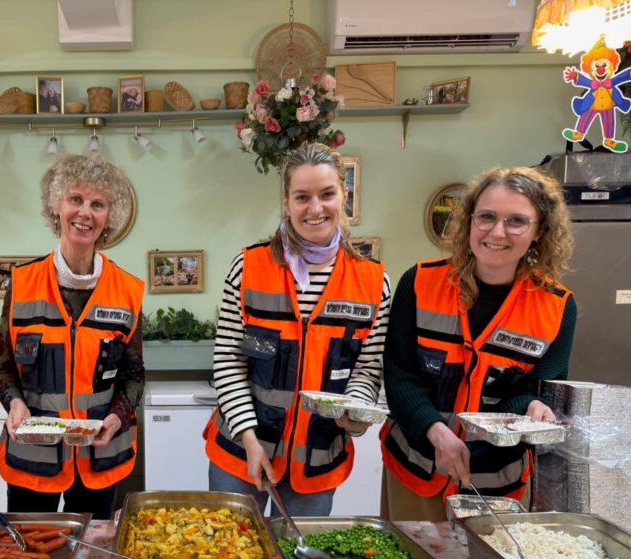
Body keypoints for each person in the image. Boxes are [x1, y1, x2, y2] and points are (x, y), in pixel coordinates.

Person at [204, 143, 392, 517]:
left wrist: (355, 414)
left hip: (318, 457)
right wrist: (249, 440)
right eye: (302, 197)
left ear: (344, 196)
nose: (315, 208)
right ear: (287, 202)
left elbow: (367, 371)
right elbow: (228, 362)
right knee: (230, 554)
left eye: (327, 194)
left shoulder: (374, 282)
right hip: (241, 451)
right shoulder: (248, 268)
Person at [380, 166, 577, 521]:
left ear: (539, 232)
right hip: (416, 464)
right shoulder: (420, 282)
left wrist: (533, 405)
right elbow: (400, 376)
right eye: (486, 217)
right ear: (469, 220)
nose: (497, 232)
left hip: (496, 482)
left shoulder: (557, 307)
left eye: (516, 221)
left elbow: (537, 390)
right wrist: (436, 432)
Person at [0, 153, 145, 519]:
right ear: (56, 206)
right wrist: (14, 403)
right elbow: (1, 367)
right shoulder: (24, 283)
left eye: (98, 204)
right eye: (75, 199)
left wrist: (117, 418)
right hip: (34, 457)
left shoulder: (127, 290)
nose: (85, 213)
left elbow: (134, 376)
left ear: (109, 217)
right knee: (30, 556)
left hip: (100, 456)